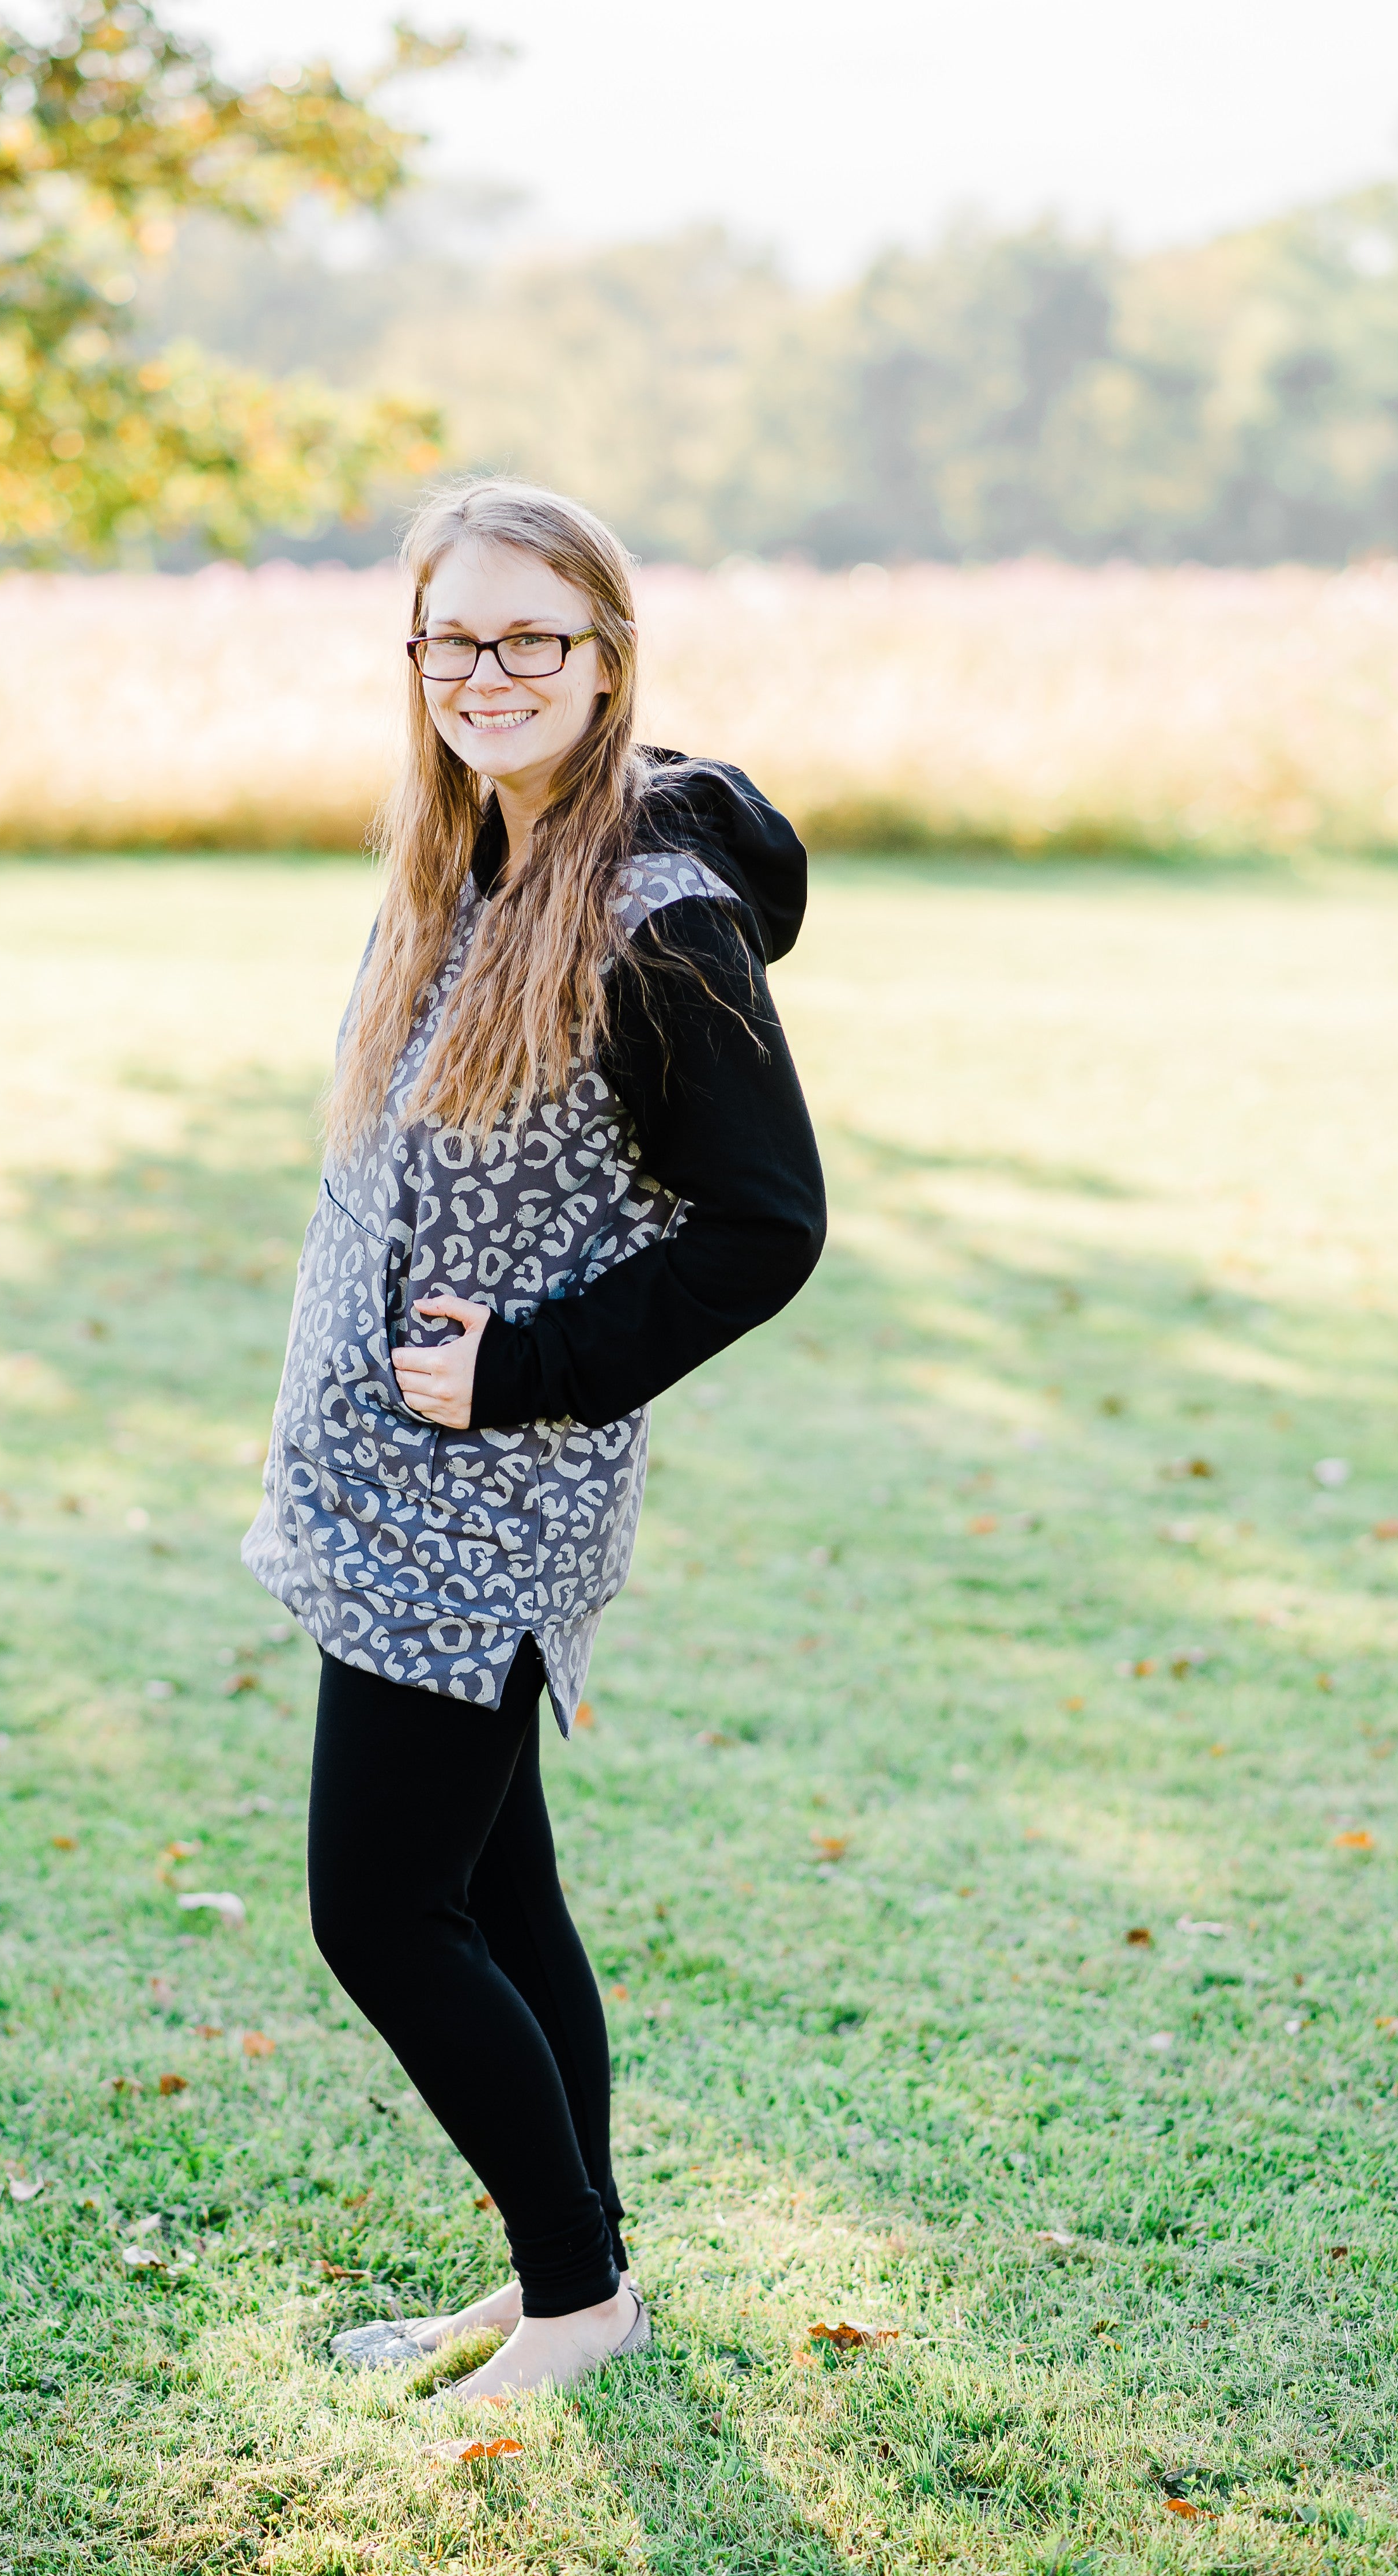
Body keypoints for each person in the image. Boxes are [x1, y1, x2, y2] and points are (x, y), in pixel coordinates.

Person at [243, 477, 827, 2401]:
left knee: (380, 1910)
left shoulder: (654, 918)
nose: (485, 673)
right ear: (413, 659)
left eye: (529, 639)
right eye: (451, 638)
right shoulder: (472, 856)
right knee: (498, 1894)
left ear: (605, 658)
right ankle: (565, 2277)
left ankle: (580, 2301)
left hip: (486, 1502)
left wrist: (530, 1368)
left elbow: (768, 1226)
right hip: (389, 1486)